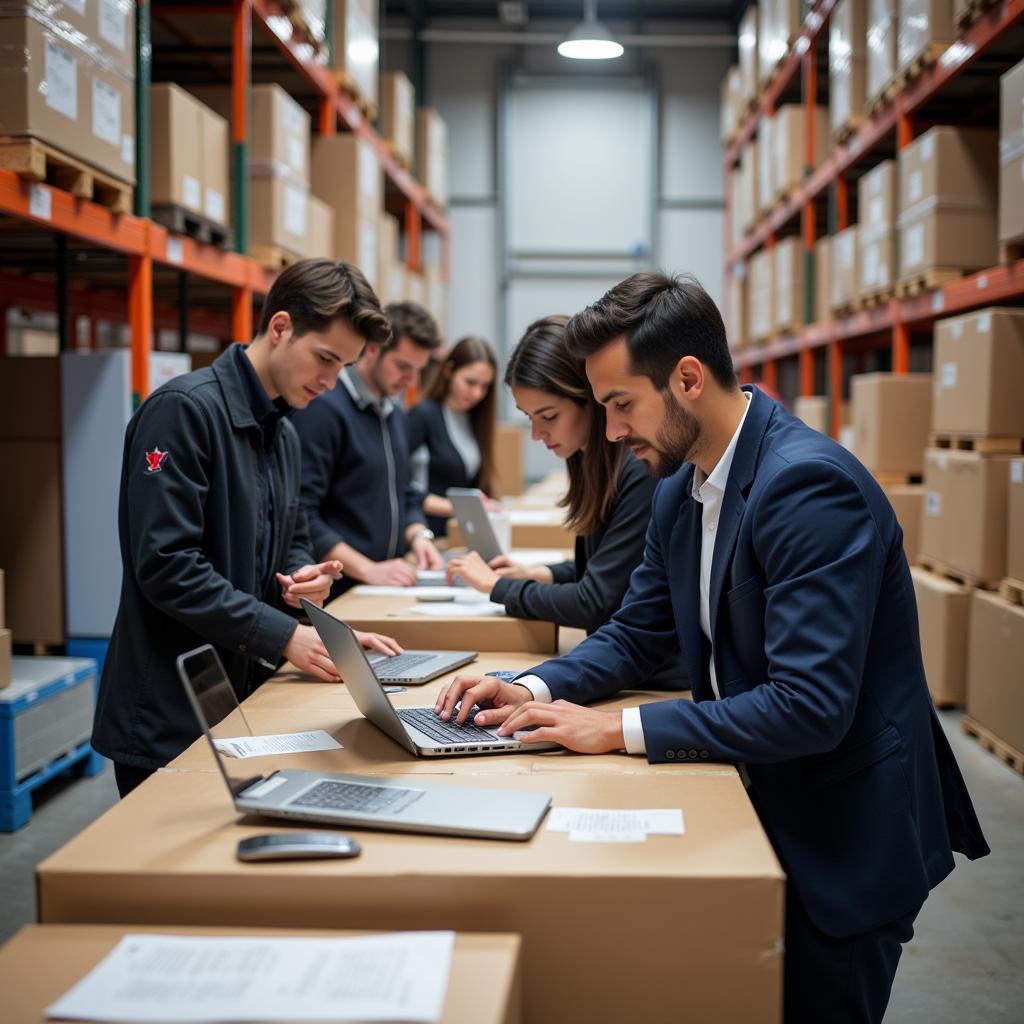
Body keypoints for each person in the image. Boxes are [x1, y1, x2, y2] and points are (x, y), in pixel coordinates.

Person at [436, 272, 989, 1023]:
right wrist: (532, 688)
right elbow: (636, 632)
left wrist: (618, 728)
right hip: (760, 800)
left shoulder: (808, 488)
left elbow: (810, 707)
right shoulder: (680, 485)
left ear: (688, 379)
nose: (610, 433)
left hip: (842, 836)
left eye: (620, 404)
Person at [93, 260, 402, 798]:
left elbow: (292, 533)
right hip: (168, 709)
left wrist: (304, 576)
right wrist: (283, 635)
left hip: (238, 697)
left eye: (343, 368)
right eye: (325, 359)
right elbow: (166, 565)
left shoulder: (282, 433)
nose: (330, 383)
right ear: (279, 327)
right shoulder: (184, 411)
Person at [445, 317, 685, 681]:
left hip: (652, 678)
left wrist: (499, 587)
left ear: (589, 399)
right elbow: (609, 565)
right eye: (530, 418)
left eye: (549, 416)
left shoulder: (639, 470)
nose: (538, 433)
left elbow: (595, 600)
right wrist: (538, 575)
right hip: (626, 667)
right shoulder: (596, 465)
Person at [293, 301, 444, 593]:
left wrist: (419, 536)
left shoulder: (394, 413)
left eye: (418, 370)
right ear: (372, 349)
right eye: (403, 366)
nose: (411, 381)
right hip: (338, 590)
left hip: (383, 584)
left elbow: (405, 493)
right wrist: (367, 568)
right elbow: (300, 512)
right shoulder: (324, 408)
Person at [406, 335, 500, 538]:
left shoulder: (475, 419)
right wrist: (458, 508)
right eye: (470, 382)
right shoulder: (423, 415)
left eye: (485, 386)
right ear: (449, 371)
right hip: (426, 534)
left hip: (461, 535)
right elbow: (400, 485)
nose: (477, 393)